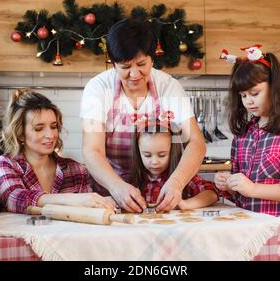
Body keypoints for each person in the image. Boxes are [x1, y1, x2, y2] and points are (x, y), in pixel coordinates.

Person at [80, 18, 206, 213]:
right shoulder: (97, 88)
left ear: (152, 58)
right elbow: (92, 150)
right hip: (111, 198)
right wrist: (117, 187)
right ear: (113, 64)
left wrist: (177, 183)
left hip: (161, 195)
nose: (134, 74)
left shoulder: (168, 86)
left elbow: (196, 142)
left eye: (141, 64)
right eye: (124, 67)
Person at [214, 51, 280, 260]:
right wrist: (229, 185)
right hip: (250, 239)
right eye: (243, 96)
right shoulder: (243, 135)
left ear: (275, 87)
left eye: (254, 93)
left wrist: (251, 188)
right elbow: (242, 193)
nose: (248, 102)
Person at [0, 89, 115, 214]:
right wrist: (72, 200)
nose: (50, 135)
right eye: (39, 128)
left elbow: (88, 214)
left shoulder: (76, 170)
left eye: (53, 126)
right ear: (20, 134)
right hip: (21, 233)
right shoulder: (5, 164)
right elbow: (14, 199)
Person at [131, 119, 218, 209]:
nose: (154, 162)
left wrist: (186, 204)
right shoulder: (135, 180)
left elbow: (211, 193)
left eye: (162, 155)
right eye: (147, 155)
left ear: (172, 152)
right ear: (138, 153)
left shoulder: (183, 177)